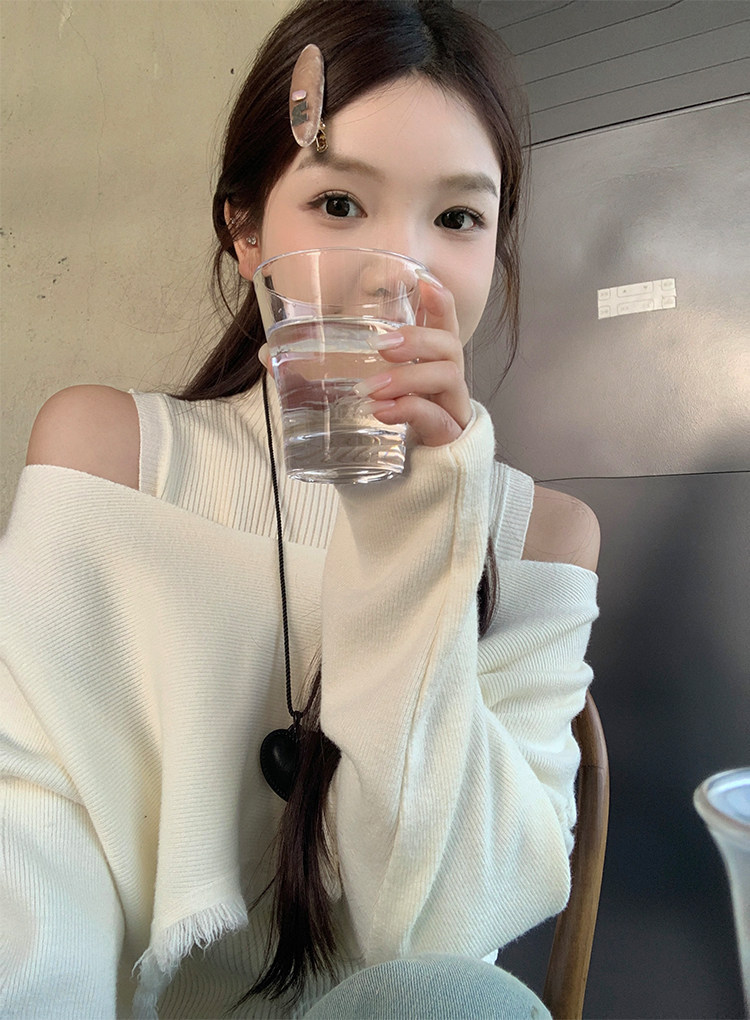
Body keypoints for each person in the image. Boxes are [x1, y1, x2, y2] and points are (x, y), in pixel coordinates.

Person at [0, 0, 600, 1017]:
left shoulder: (541, 541)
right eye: (339, 203)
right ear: (246, 231)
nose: (397, 273)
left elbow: (438, 935)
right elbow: (31, 836)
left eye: (457, 218)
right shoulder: (111, 459)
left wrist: (418, 522)